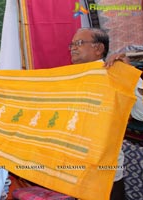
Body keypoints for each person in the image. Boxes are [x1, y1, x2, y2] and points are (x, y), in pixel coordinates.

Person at [69, 27, 125, 200]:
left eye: (79, 43)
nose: (73, 48)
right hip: (73, 169)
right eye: (71, 44)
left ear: (98, 48)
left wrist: (126, 77)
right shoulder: (67, 78)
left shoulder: (116, 74)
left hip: (103, 171)